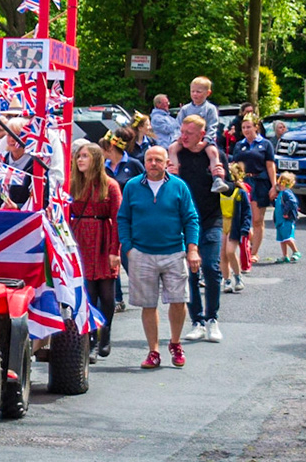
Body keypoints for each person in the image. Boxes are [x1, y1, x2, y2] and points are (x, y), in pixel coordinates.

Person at [118, 146, 200, 369]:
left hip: (174, 251)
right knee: (148, 304)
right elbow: (123, 218)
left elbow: (191, 219)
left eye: (158, 160)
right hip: (142, 253)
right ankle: (153, 351)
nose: (153, 163)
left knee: (178, 300)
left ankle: (175, 342)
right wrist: (128, 248)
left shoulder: (178, 186)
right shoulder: (133, 186)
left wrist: (192, 249)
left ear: (166, 163)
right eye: (149, 160)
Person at [167, 116, 226, 343]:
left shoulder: (212, 153)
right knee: (190, 273)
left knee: (211, 268)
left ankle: (212, 319)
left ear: (201, 134)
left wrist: (223, 179)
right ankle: (197, 321)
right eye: (182, 131)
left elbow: (229, 187)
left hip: (211, 220)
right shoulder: (176, 154)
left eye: (188, 133)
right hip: (184, 222)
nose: (183, 136)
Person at [69, 141, 122, 358]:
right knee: (88, 293)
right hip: (80, 237)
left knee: (107, 294)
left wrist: (114, 250)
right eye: (78, 156)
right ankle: (90, 338)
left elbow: (118, 219)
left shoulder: (110, 185)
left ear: (96, 159)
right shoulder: (72, 184)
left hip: (102, 237)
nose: (80, 160)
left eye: (84, 156)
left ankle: (105, 330)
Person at [227, 115, 278, 258]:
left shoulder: (265, 144)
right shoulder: (239, 145)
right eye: (243, 128)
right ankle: (249, 242)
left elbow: (270, 165)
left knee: (257, 219)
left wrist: (274, 186)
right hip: (244, 183)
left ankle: (253, 253)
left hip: (260, 182)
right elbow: (235, 165)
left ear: (256, 127)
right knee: (242, 218)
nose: (246, 130)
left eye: (249, 127)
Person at [219, 163, 250, 293]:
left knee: (230, 251)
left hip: (234, 224)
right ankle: (227, 280)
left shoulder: (240, 193)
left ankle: (238, 277)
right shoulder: (218, 192)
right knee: (222, 255)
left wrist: (245, 228)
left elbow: (247, 213)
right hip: (221, 224)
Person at [272, 174, 300, 263]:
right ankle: (285, 256)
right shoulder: (281, 193)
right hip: (280, 220)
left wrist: (286, 212)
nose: (279, 184)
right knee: (282, 239)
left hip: (286, 219)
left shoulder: (286, 193)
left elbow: (292, 202)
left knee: (287, 238)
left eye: (280, 183)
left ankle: (296, 251)